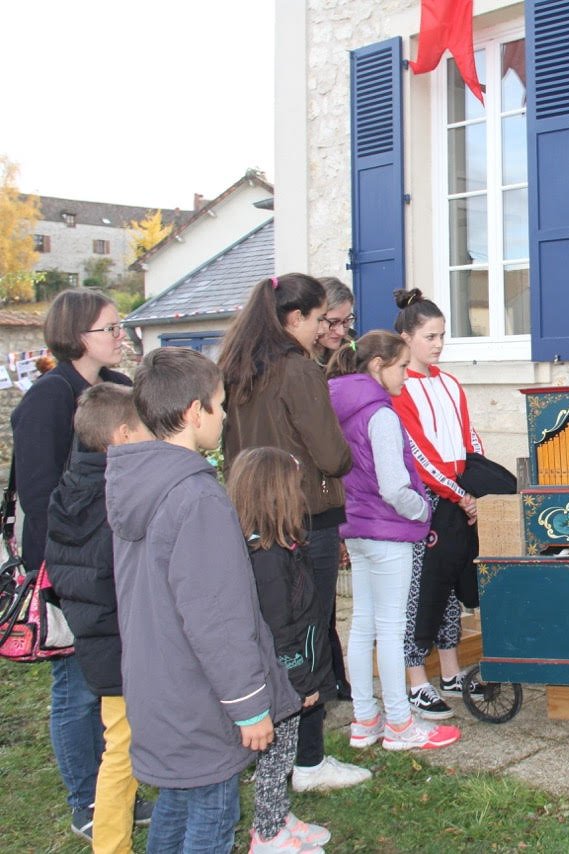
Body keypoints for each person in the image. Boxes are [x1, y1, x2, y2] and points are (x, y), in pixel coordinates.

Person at [107, 347, 300, 852]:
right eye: (219, 403)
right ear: (195, 413)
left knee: (176, 806)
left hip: (156, 687)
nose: (224, 414)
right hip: (200, 696)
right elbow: (217, 617)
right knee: (212, 816)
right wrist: (250, 707)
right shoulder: (196, 498)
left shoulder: (135, 483)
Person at [218, 273, 369, 793]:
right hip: (306, 516)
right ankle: (307, 760)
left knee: (272, 632)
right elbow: (330, 453)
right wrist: (345, 459)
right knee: (310, 634)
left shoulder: (238, 368)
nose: (324, 328)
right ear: (295, 318)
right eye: (318, 319)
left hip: (254, 517)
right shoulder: (298, 370)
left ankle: (270, 748)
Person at [10, 288, 133, 838]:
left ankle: (117, 787)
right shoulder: (47, 398)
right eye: (110, 327)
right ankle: (86, 800)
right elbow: (39, 498)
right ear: (79, 335)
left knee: (113, 681)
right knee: (76, 686)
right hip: (68, 565)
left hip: (118, 556)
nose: (120, 335)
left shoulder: (119, 390)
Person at [328, 330, 462, 751]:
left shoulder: (339, 405)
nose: (407, 375)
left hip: (357, 526)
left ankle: (365, 719)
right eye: (402, 366)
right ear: (377, 365)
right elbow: (394, 485)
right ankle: (400, 724)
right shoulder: (380, 413)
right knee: (390, 629)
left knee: (362, 624)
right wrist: (422, 510)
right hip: (389, 529)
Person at [44, 384, 152, 853]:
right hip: (122, 643)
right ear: (122, 436)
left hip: (99, 639)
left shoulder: (70, 487)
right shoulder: (115, 495)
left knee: (123, 748)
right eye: (145, 426)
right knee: (123, 755)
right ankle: (111, 844)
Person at [227, 448, 334, 853]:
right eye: (295, 488)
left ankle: (279, 816)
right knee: (275, 758)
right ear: (276, 496)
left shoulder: (284, 548)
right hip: (284, 680)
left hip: (292, 674)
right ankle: (267, 834)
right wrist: (301, 682)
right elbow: (279, 632)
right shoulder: (267, 560)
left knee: (282, 755)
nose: (303, 496)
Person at [390, 290, 486, 717]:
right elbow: (418, 452)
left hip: (459, 494)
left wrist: (477, 482)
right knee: (422, 589)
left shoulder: (449, 382)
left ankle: (449, 671)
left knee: (449, 585)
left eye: (442, 336)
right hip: (429, 498)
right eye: (430, 336)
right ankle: (415, 678)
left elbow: (470, 436)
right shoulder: (399, 388)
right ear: (407, 338)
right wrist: (457, 492)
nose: (438, 344)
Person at [313, 276, 357, 701]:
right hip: (312, 498)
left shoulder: (325, 364)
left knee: (324, 603)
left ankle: (333, 677)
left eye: (346, 323)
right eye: (332, 321)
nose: (341, 332)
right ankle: (325, 681)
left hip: (329, 500)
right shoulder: (304, 370)